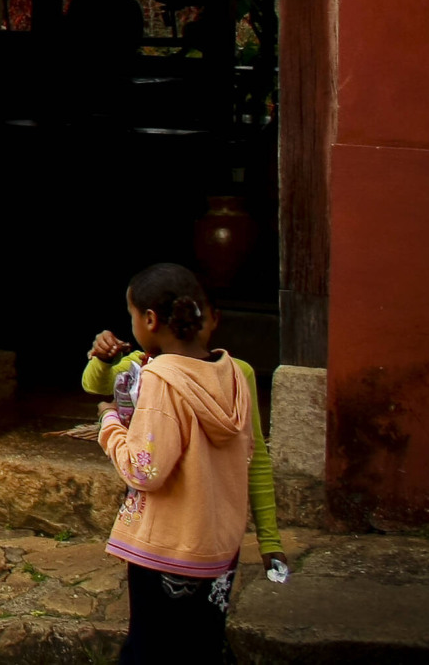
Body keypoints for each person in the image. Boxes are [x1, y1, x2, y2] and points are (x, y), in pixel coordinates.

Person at [95, 263, 288, 661]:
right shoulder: (235, 374)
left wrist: (108, 423)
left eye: (132, 316)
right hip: (219, 549)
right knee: (203, 646)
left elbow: (144, 469)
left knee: (150, 649)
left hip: (168, 549)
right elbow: (254, 457)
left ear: (149, 320)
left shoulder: (161, 382)